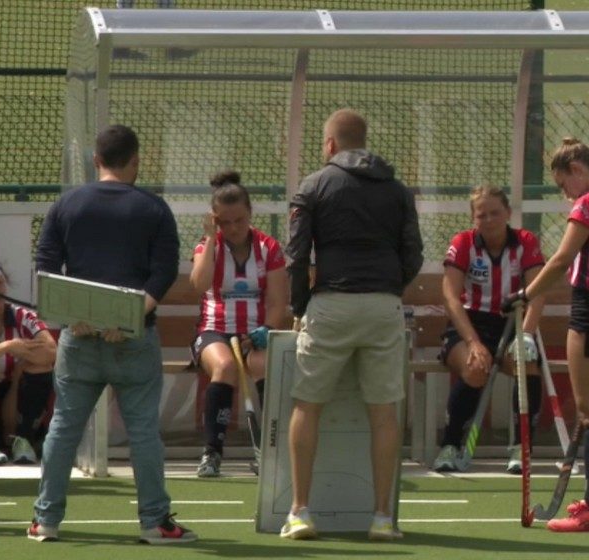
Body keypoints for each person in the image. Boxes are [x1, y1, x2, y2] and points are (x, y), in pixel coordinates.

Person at [30, 124, 195, 544]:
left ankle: (45, 519)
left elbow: (46, 265)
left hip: (79, 336)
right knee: (142, 432)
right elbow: (163, 272)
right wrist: (130, 317)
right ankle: (155, 521)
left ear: (96, 160)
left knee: (64, 427)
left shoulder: (67, 204)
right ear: (135, 161)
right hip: (134, 339)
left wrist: (71, 316)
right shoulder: (154, 209)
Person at [284, 108, 423, 541]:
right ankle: (382, 517)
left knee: (308, 405)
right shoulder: (397, 190)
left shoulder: (314, 185)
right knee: (384, 412)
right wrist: (389, 287)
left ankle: (300, 511)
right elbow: (413, 253)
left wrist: (301, 305)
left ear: (330, 145)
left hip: (332, 303)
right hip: (384, 306)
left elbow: (295, 255)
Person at [504, 137, 589, 532]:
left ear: (577, 170)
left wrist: (524, 296)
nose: (565, 193)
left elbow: (562, 258)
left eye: (564, 184)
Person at [430, 184, 546, 475]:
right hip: (471, 323)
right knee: (475, 366)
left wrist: (527, 335)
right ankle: (451, 443)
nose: (489, 220)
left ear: (508, 212)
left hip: (513, 323)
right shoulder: (464, 243)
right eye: (482, 215)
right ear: (473, 218)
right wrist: (473, 342)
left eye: (495, 213)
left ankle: (522, 446)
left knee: (526, 364)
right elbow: (450, 297)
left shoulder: (526, 242)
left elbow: (538, 292)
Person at [190, 170, 287, 478]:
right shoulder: (209, 246)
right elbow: (198, 284)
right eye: (225, 222)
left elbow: (277, 302)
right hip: (214, 331)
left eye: (239, 220)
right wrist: (209, 238)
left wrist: (266, 330)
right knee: (226, 368)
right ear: (215, 219)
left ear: (250, 215)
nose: (233, 228)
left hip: (255, 333)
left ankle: (273, 451)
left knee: (262, 366)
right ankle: (212, 452)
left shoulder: (268, 248)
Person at [0, 258, 57, 466]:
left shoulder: (21, 316)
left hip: (14, 397)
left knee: (40, 367)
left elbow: (51, 351)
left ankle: (22, 440)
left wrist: (19, 369)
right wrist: (7, 348)